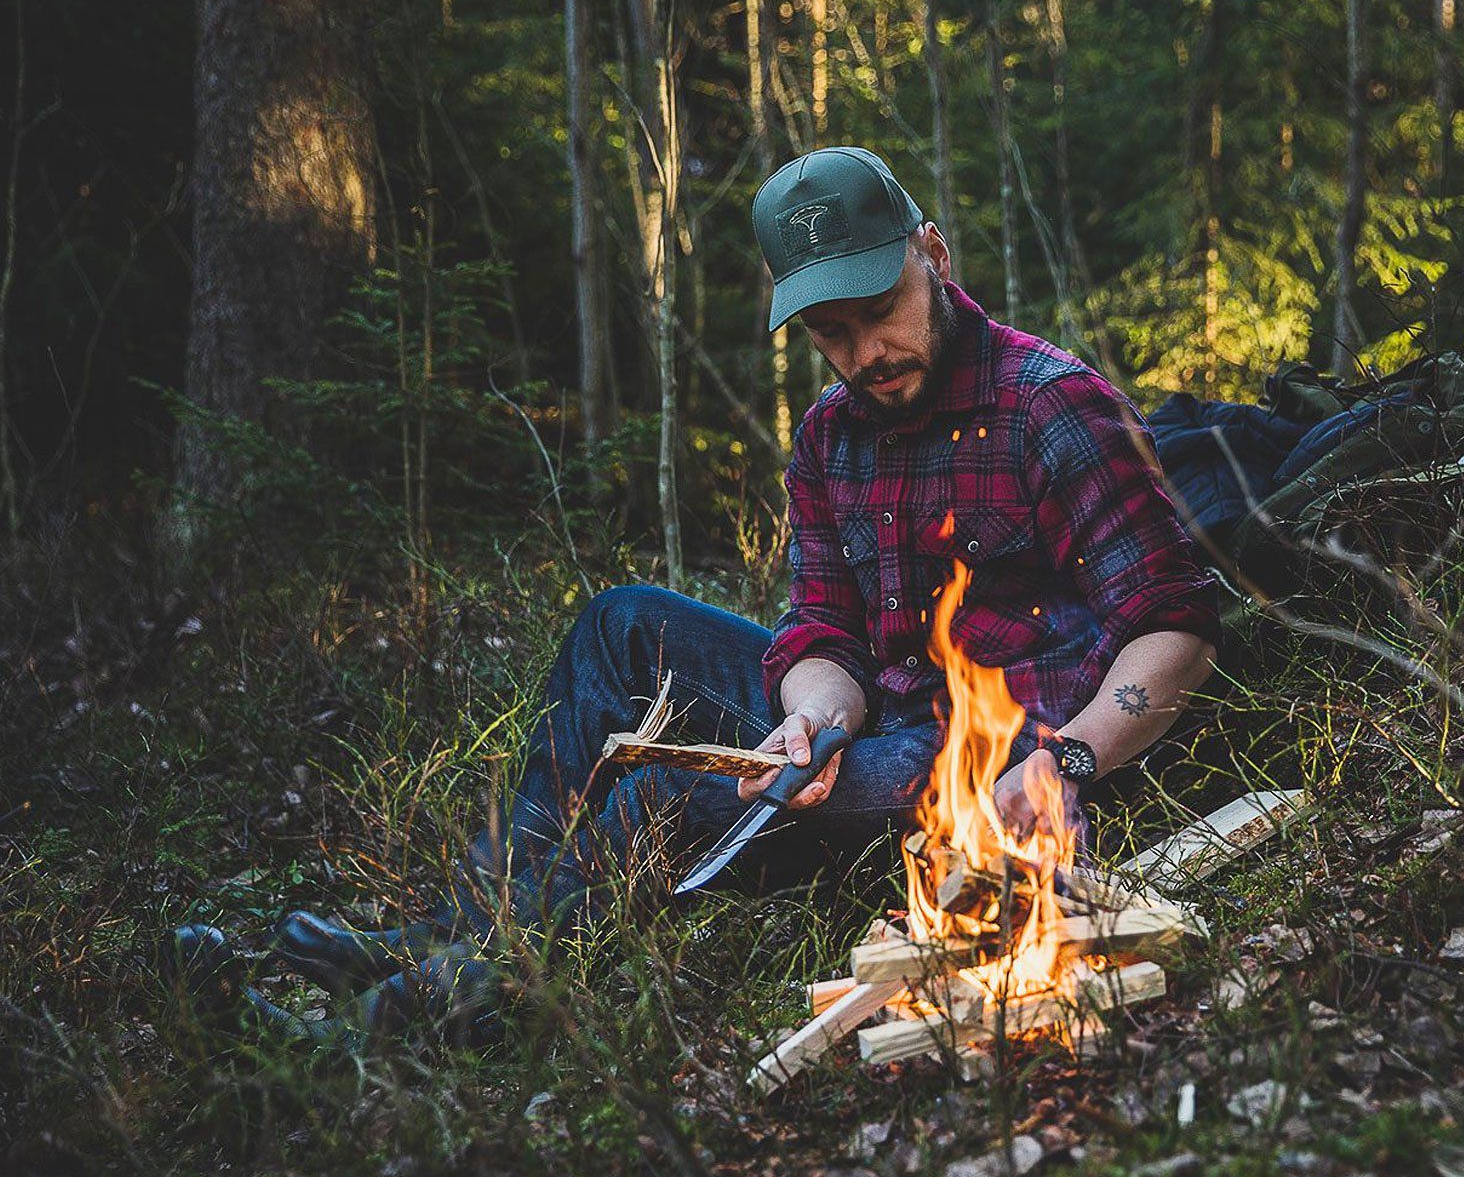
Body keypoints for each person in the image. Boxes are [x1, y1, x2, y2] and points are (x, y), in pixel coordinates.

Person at [162, 146, 1219, 1043]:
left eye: (880, 313)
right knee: (620, 625)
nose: (864, 355)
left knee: (663, 797)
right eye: (831, 333)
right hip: (880, 725)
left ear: (932, 254)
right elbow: (824, 632)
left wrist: (1066, 758)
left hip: (1002, 757)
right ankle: (464, 918)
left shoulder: (1053, 405)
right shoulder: (829, 436)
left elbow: (1174, 626)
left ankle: (403, 1018)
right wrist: (811, 716)